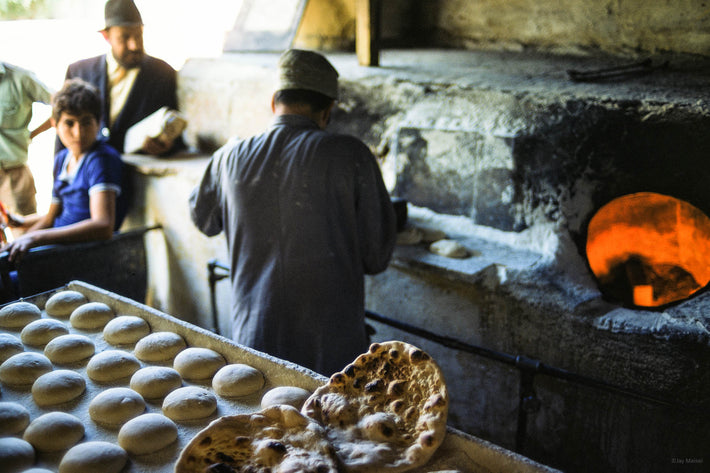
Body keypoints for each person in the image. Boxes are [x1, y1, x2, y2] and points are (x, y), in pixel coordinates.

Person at [189, 49, 397, 375]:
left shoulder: (228, 157)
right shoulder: (352, 155)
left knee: (264, 423)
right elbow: (376, 257)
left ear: (274, 103)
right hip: (332, 358)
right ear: (328, 109)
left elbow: (204, 220)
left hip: (253, 350)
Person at [1, 78, 125, 263]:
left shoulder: (100, 160)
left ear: (98, 122)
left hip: (81, 255)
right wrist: (23, 227)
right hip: (58, 250)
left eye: (86, 122)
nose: (78, 133)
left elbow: (103, 225)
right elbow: (51, 218)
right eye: (69, 123)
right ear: (55, 124)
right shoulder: (61, 159)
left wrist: (35, 238)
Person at [62, 0, 183, 155]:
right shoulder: (79, 72)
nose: (135, 46)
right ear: (107, 37)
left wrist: (167, 146)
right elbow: (62, 133)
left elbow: (177, 134)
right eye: (124, 38)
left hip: (135, 175)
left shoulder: (163, 74)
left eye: (138, 36)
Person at [0, 61, 54, 217]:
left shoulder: (21, 78)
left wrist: (33, 134)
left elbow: (61, 105)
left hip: (13, 174)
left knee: (25, 233)